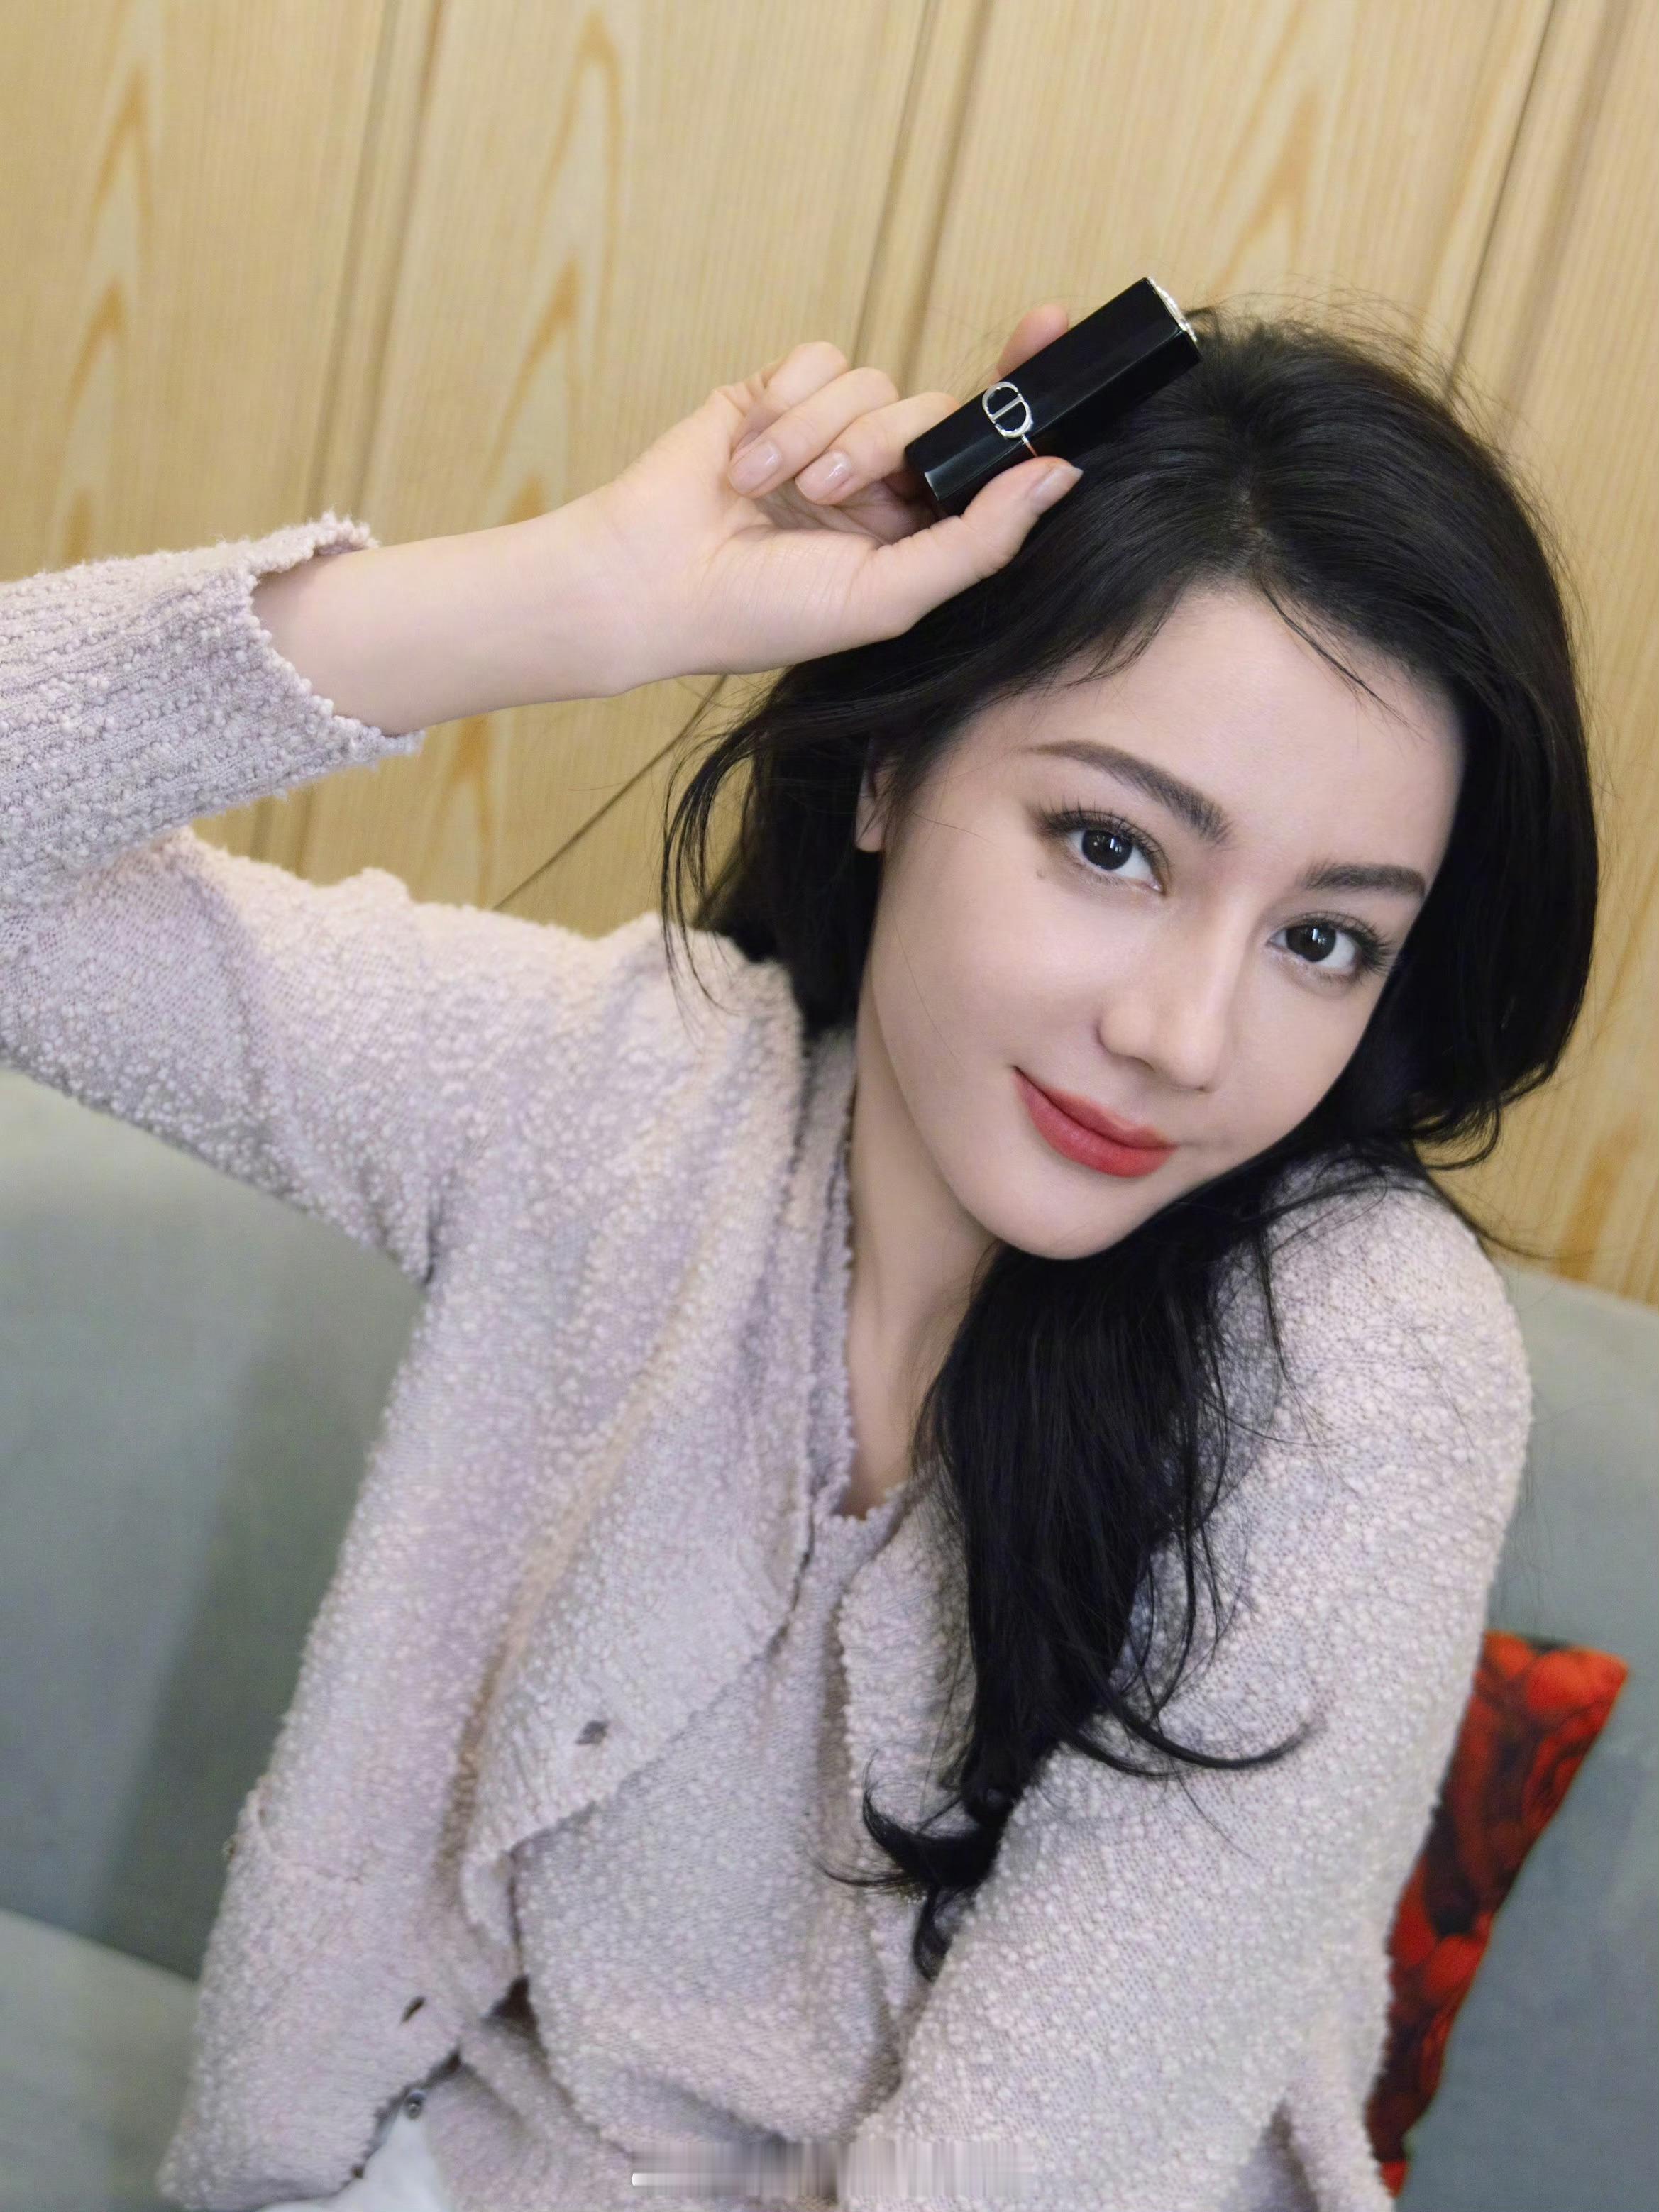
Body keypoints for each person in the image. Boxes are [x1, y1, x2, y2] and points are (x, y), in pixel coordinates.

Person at [0, 297, 1597, 2211]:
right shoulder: (621, 1102)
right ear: (891, 768)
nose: (1184, 1036)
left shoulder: (1357, 1362)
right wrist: (576, 601)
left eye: (1322, 939)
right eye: (1112, 846)